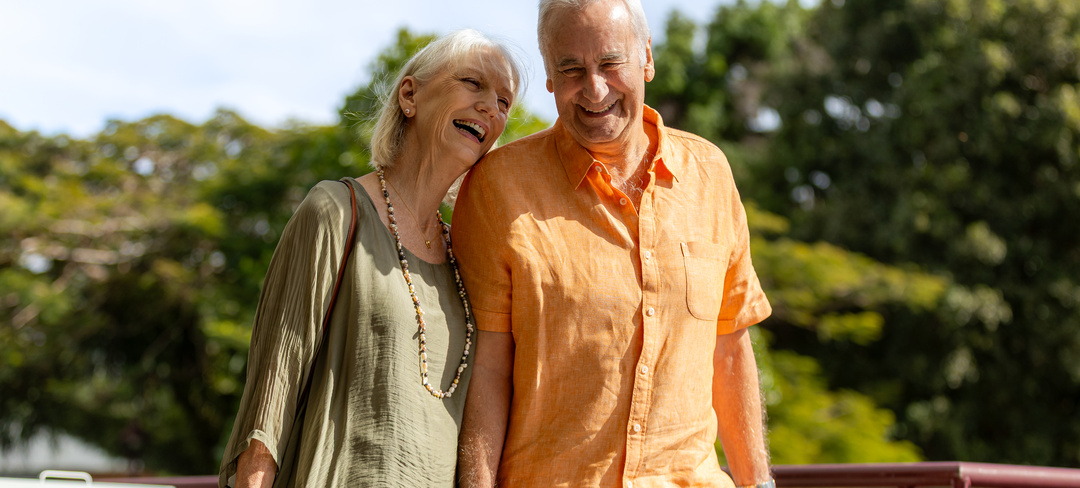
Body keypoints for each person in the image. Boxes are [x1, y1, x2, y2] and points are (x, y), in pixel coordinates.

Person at [453, 1, 774, 487]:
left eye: (610, 63)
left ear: (646, 57)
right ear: (549, 77)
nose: (595, 88)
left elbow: (729, 348)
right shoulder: (498, 187)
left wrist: (760, 483)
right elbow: (486, 369)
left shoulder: (710, 174)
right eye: (572, 69)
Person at [217, 29, 521, 488]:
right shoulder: (334, 211)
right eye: (473, 84)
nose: (490, 108)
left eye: (504, 102)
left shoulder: (471, 254)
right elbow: (270, 405)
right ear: (410, 95)